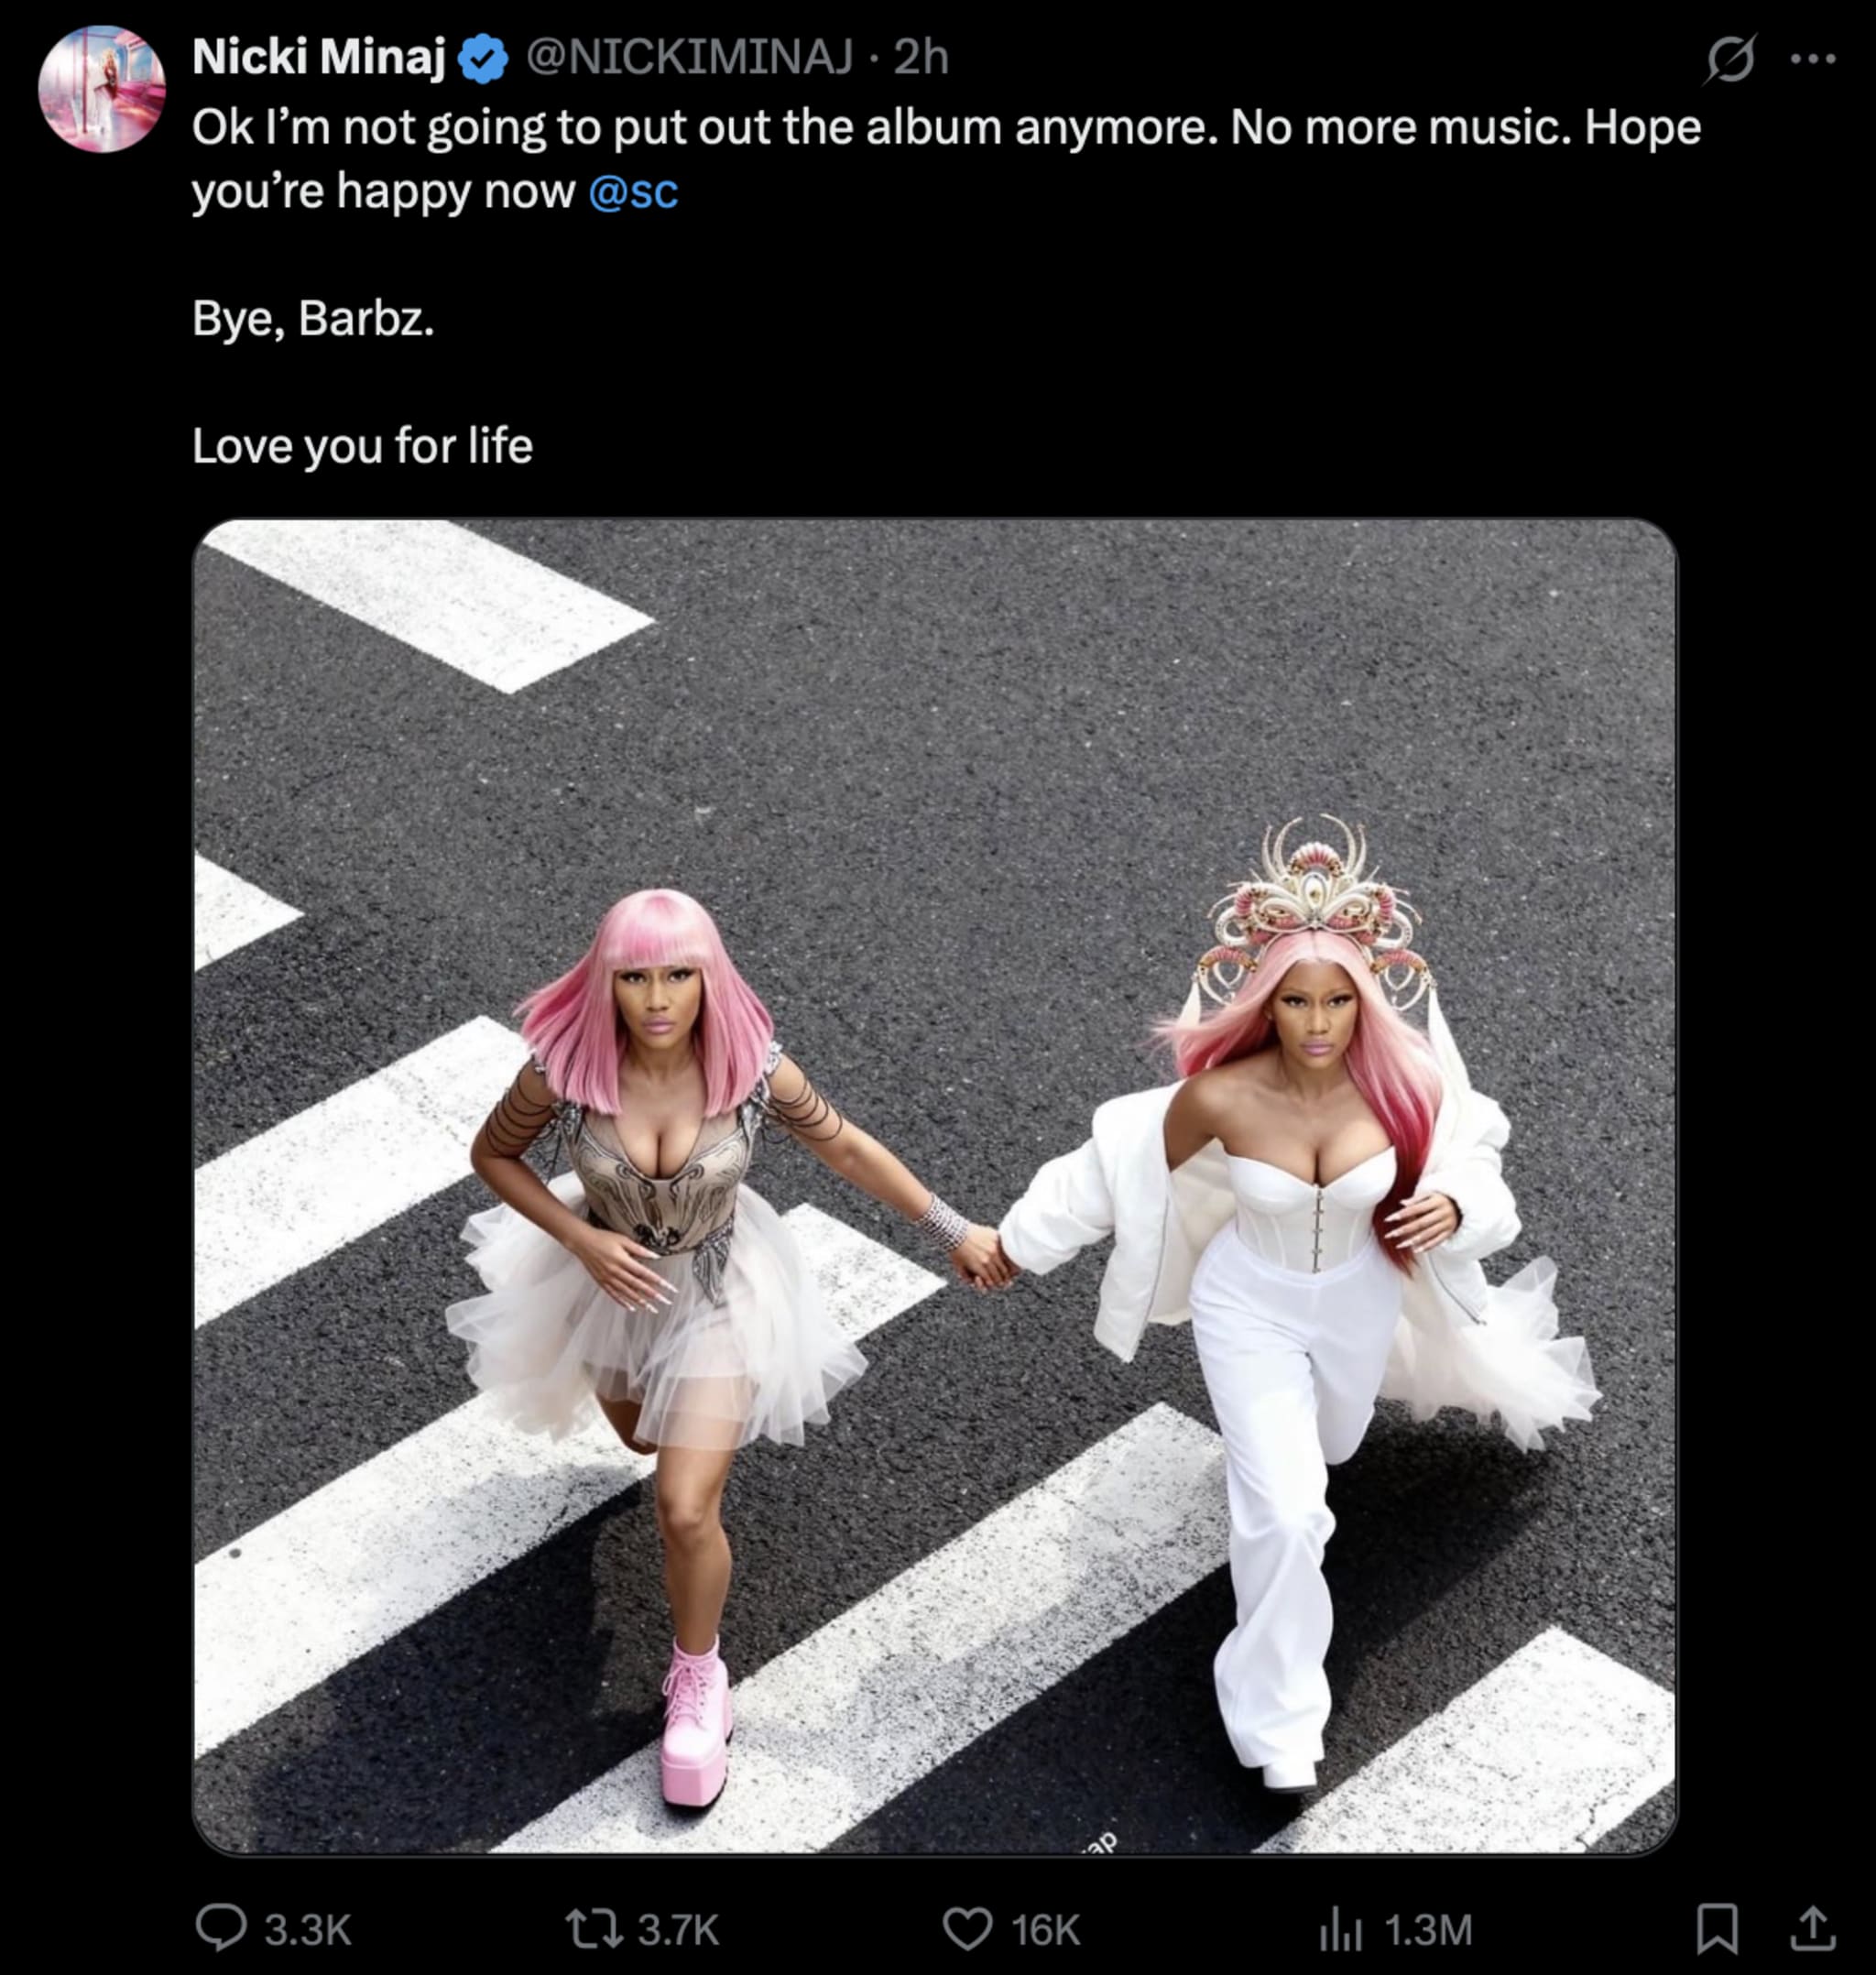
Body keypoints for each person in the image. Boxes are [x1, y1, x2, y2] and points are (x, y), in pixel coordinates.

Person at [993, 819, 1599, 1795]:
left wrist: (1454, 1204)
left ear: (1361, 1002)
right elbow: (1109, 1165)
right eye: (1294, 1001)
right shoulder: (1222, 1096)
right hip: (1249, 1304)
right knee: (1285, 1514)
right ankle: (1275, 1716)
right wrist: (1014, 1244)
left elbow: (1479, 1167)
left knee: (1330, 1451)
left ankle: (1285, 1503)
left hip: (1356, 1301)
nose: (1317, 1021)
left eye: (1334, 1000)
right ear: (1265, 1006)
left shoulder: (1404, 1088)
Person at [445, 888, 1011, 1809]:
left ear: (710, 979)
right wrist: (581, 1237)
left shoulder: (751, 1068)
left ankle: (697, 1675)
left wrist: (953, 1227)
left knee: (681, 1504)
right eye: (635, 977)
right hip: (612, 1284)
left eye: (679, 974)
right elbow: (493, 1154)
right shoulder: (563, 1068)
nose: (658, 997)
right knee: (637, 1438)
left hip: (720, 1290)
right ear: (608, 981)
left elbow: (850, 1150)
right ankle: (676, 1489)